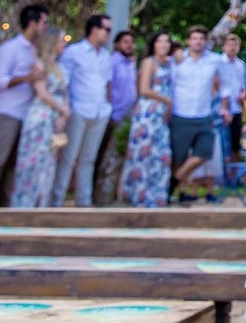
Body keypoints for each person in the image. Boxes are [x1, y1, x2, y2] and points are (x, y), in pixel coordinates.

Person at [0, 4, 49, 208]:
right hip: (7, 111)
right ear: (32, 23)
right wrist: (28, 77)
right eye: (44, 22)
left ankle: (5, 207)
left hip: (26, 114)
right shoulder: (11, 48)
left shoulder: (37, 52)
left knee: (13, 164)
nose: (45, 27)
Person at [51, 14, 113, 207]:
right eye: (107, 29)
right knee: (68, 157)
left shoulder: (106, 56)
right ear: (95, 30)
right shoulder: (73, 52)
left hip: (100, 111)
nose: (109, 34)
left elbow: (107, 84)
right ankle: (57, 200)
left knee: (89, 159)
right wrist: (66, 109)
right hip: (78, 109)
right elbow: (63, 82)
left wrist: (107, 105)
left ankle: (84, 201)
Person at [11, 27, 69, 207]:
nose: (64, 43)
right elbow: (42, 93)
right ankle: (24, 204)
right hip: (41, 117)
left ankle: (42, 203)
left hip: (56, 119)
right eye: (61, 40)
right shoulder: (39, 64)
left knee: (49, 162)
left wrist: (64, 115)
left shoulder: (60, 68)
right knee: (33, 161)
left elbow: (65, 92)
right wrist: (63, 109)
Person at [170, 25, 229, 202]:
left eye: (201, 39)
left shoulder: (215, 60)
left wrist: (224, 106)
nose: (198, 42)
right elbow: (170, 85)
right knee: (178, 155)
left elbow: (224, 85)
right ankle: (179, 192)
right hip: (181, 112)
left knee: (204, 152)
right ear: (188, 41)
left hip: (204, 113)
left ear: (206, 41)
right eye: (194, 38)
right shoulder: (178, 61)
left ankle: (175, 179)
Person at [122, 30, 174, 208]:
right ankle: (140, 196)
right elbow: (143, 89)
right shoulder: (149, 62)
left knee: (160, 154)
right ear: (154, 44)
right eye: (160, 42)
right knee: (144, 153)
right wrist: (166, 99)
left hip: (162, 115)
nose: (164, 45)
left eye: (167, 42)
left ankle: (157, 195)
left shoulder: (170, 63)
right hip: (148, 113)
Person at [94, 30, 137, 205]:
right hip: (113, 115)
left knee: (118, 159)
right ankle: (98, 197)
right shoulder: (112, 62)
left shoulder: (130, 63)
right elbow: (108, 86)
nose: (129, 45)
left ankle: (112, 196)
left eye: (131, 42)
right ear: (117, 44)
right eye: (125, 42)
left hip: (127, 117)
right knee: (104, 157)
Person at [219, 34, 246, 162]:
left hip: (236, 108)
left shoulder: (240, 65)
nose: (232, 48)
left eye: (235, 45)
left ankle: (235, 173)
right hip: (220, 109)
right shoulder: (218, 63)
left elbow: (243, 86)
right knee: (222, 143)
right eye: (229, 45)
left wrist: (243, 95)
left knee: (236, 142)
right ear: (224, 47)